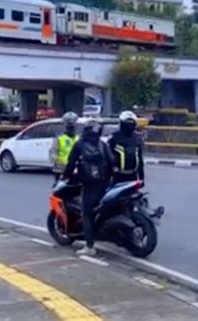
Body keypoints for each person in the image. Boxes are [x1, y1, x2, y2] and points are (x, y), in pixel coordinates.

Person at [63, 119, 115, 256]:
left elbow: (70, 164)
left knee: (86, 214)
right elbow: (112, 162)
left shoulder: (79, 145)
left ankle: (89, 246)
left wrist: (65, 177)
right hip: (105, 183)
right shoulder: (102, 144)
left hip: (89, 184)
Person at [108, 110, 144, 184]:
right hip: (117, 175)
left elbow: (140, 158)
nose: (130, 126)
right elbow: (108, 156)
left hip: (133, 175)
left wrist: (141, 177)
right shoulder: (114, 137)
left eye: (131, 124)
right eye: (128, 124)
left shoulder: (137, 138)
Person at [49, 112, 79, 184]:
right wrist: (61, 162)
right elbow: (53, 154)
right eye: (69, 126)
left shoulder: (78, 138)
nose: (71, 128)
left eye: (73, 126)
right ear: (65, 126)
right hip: (61, 170)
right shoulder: (59, 138)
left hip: (76, 169)